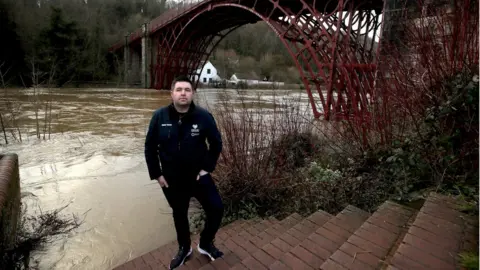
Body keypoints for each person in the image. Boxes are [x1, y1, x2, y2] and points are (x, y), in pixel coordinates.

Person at [144, 75, 224, 270]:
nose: (183, 93)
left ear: (192, 94)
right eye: (179, 90)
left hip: (198, 177)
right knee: (179, 214)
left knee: (217, 208)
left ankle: (205, 244)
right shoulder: (159, 117)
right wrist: (157, 175)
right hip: (172, 179)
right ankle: (184, 248)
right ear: (172, 93)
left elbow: (216, 144)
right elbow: (149, 147)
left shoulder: (204, 116)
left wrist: (207, 168)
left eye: (187, 90)